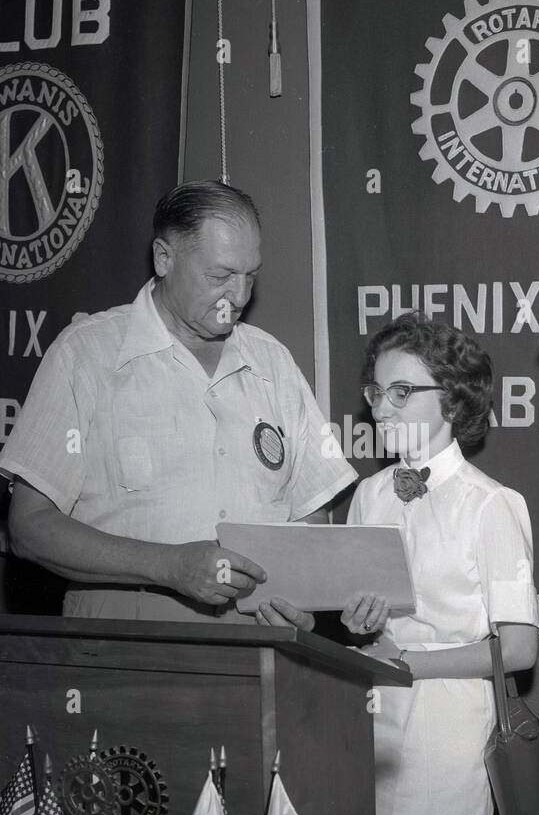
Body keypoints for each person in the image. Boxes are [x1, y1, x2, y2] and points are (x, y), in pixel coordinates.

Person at [0, 180, 356, 626]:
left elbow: (311, 515)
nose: (239, 297)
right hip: (127, 643)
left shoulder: (273, 362)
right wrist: (168, 566)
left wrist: (298, 601)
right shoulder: (86, 354)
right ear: (164, 258)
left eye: (250, 276)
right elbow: (30, 527)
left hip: (258, 645)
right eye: (220, 276)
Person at [341, 314, 539, 815]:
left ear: (452, 401)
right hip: (373, 716)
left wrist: (409, 664)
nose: (382, 409)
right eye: (376, 392)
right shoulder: (368, 495)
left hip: (447, 722)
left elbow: (519, 650)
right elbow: (361, 622)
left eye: (402, 392)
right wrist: (359, 623)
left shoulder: (491, 504)